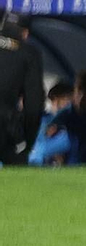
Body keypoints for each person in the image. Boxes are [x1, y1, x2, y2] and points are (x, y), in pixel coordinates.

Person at [0, 11, 43, 166]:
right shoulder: (28, 54)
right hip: (7, 125)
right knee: (17, 180)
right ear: (25, 33)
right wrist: (28, 139)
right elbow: (34, 104)